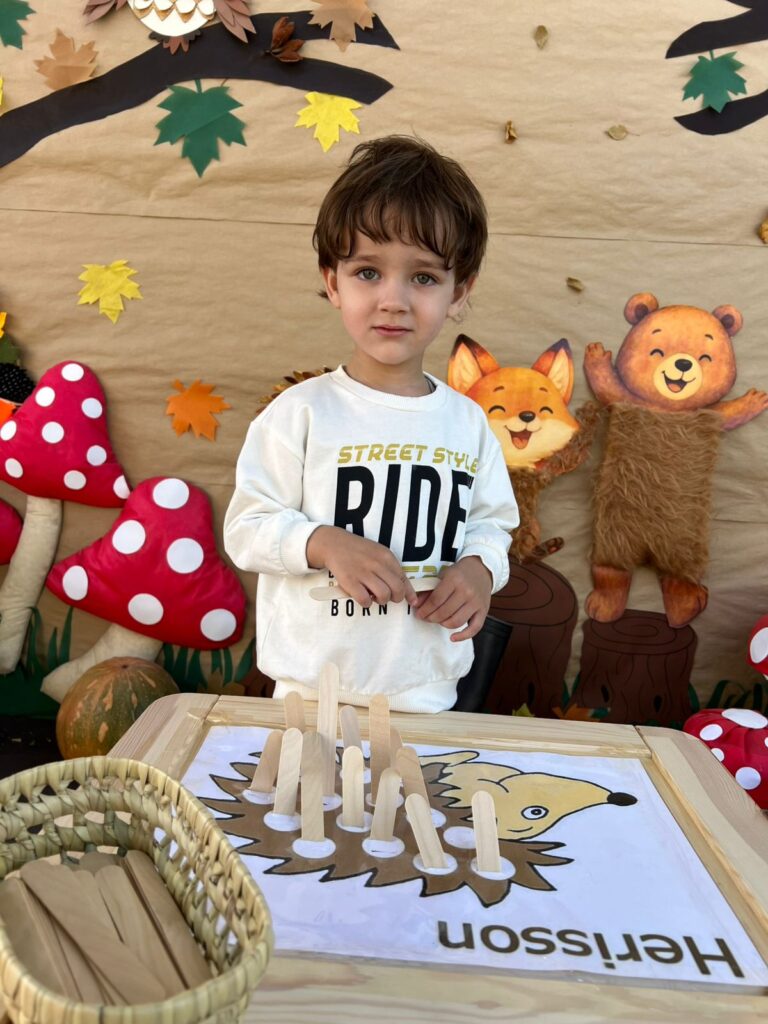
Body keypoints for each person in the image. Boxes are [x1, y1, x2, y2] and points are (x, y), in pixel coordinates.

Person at [224, 135, 519, 712]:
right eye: (367, 272)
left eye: (424, 277)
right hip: (309, 695)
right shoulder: (300, 413)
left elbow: (492, 524)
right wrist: (324, 543)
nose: (393, 299)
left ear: (460, 292)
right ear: (332, 282)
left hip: (427, 694)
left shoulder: (466, 422)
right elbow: (247, 527)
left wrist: (481, 569)